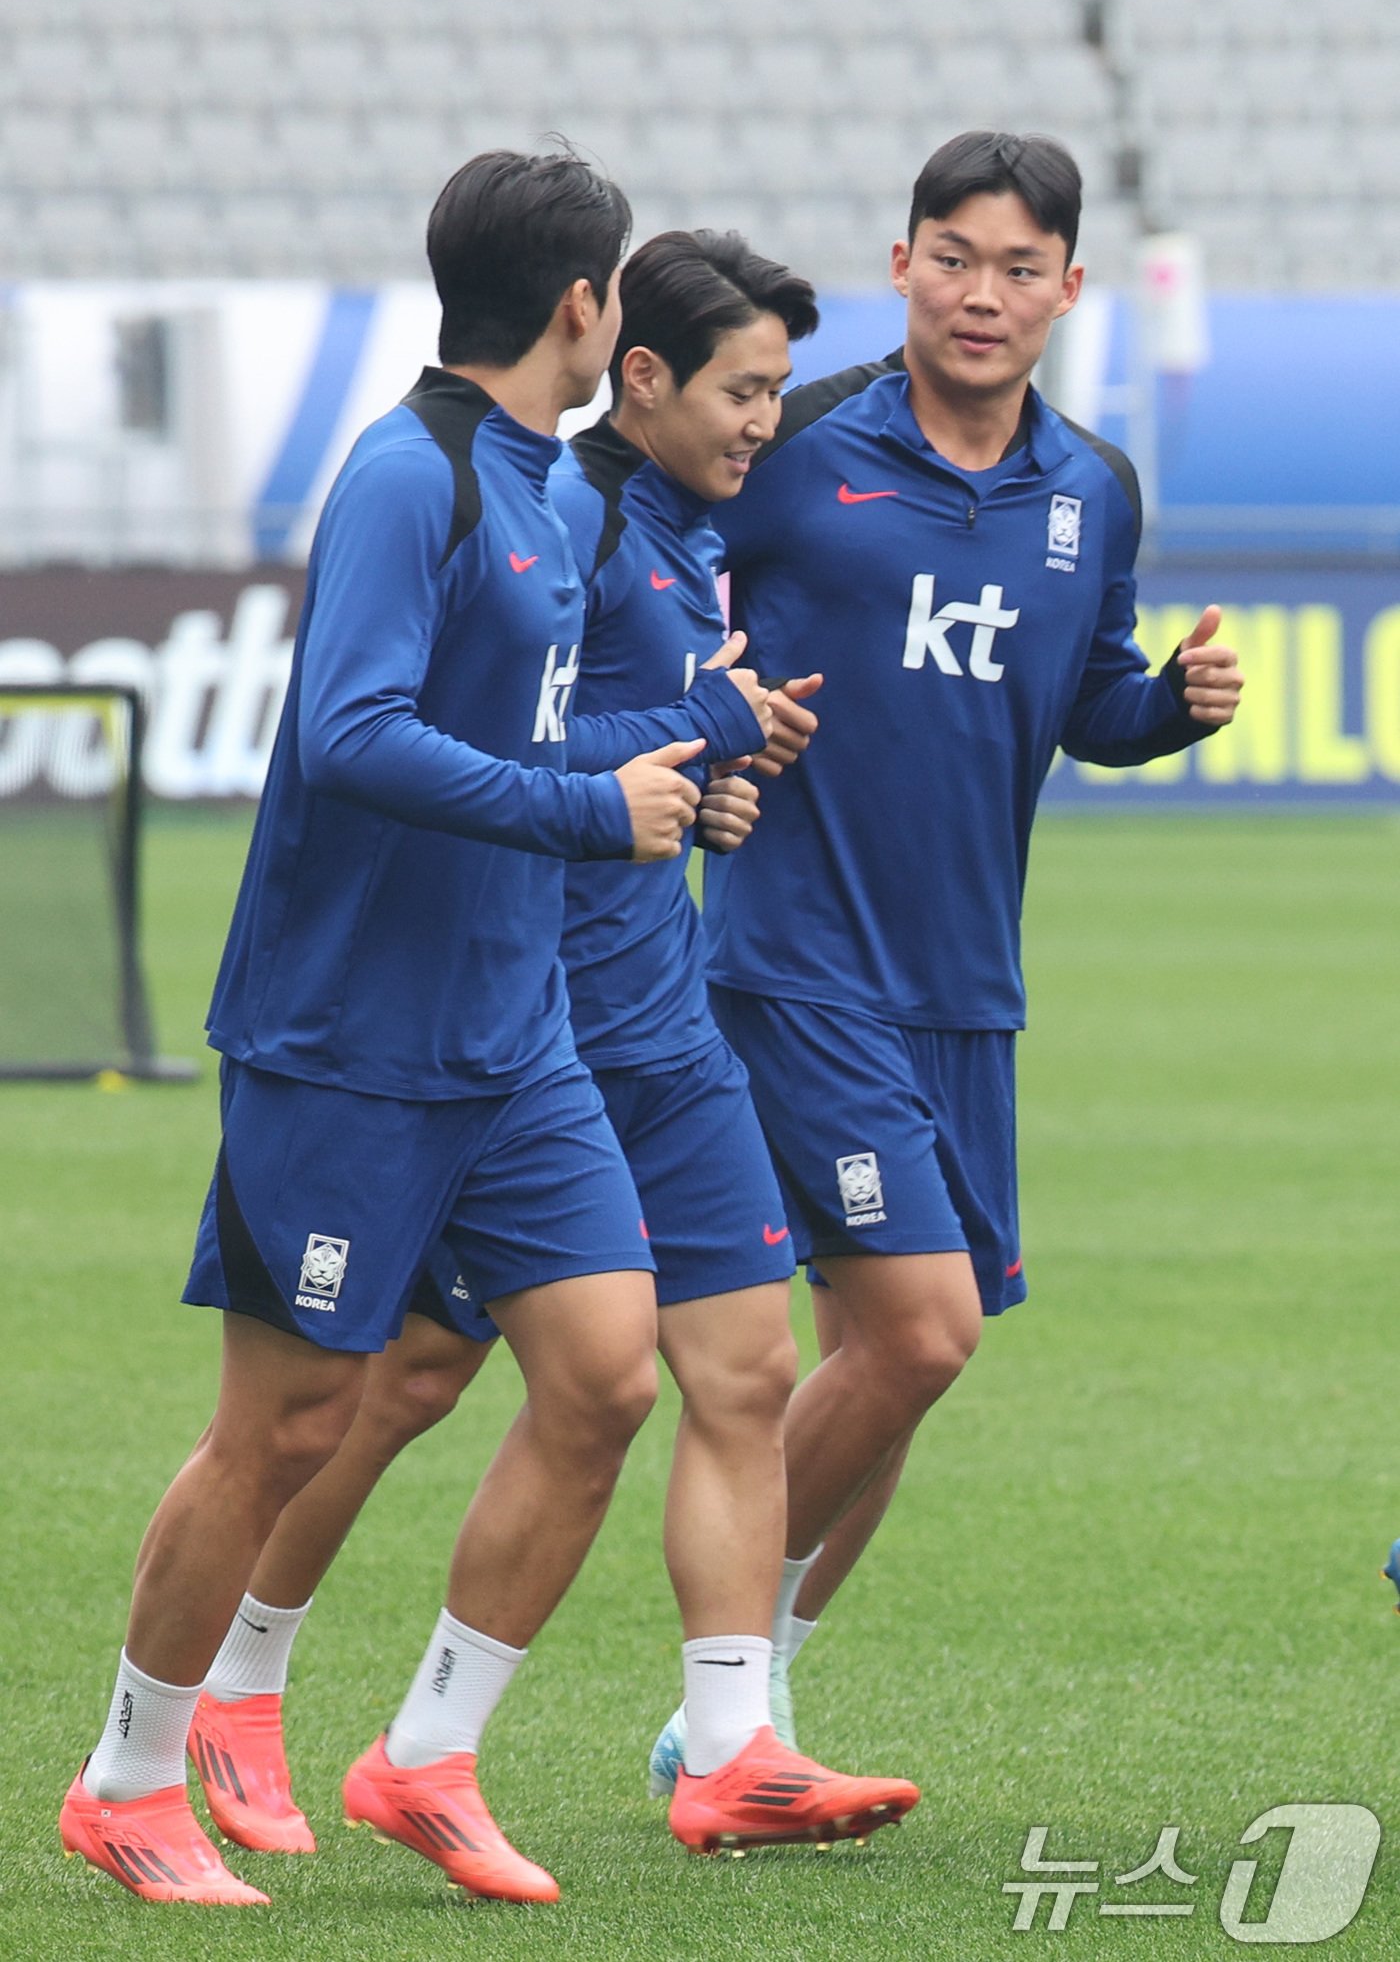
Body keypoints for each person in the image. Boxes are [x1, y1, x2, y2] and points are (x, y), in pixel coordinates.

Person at [59, 149, 775, 1911]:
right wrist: (596, 810)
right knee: (285, 1428)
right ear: (588, 311)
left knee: (607, 1375)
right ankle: (130, 1777)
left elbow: (526, 727)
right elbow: (353, 730)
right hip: (347, 1036)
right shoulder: (409, 474)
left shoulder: (540, 484)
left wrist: (663, 746)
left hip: (510, 1033)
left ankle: (428, 1754)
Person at [184, 228, 918, 1875]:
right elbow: (486, 747)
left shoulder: (687, 531)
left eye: (783, 391)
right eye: (747, 388)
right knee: (390, 1386)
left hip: (658, 1021)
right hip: (528, 1025)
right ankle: (236, 1681)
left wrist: (707, 768)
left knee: (735, 1373)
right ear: (628, 365)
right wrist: (673, 747)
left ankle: (728, 1746)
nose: (766, 422)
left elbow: (617, 760)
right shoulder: (549, 506)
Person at [647, 130, 1245, 1786]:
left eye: (1020, 267)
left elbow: (1084, 697)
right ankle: (725, 1698)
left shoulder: (1091, 487)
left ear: (1070, 287)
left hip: (967, 987)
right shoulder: (793, 440)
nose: (984, 295)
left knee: (894, 1364)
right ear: (901, 262)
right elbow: (654, 600)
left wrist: (1164, 715)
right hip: (793, 958)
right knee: (921, 1335)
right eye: (954, 257)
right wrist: (702, 734)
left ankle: (750, 1697)